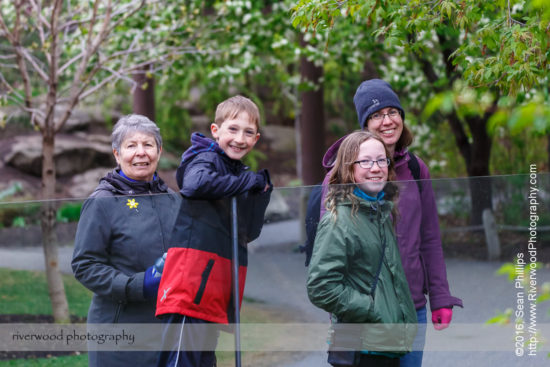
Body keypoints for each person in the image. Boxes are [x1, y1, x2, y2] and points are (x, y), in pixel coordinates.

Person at [319, 79, 463, 366]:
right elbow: (328, 251)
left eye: (392, 112)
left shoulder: (415, 168)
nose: (387, 121)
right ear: (364, 124)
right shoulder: (342, 174)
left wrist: (440, 295)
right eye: (375, 115)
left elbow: (430, 237)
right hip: (364, 312)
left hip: (412, 306)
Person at [155, 95, 272, 367]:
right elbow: (194, 185)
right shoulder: (203, 157)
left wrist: (260, 192)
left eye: (248, 132)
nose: (239, 138)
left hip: (213, 292)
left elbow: (249, 231)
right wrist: (246, 181)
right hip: (190, 289)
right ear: (215, 131)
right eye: (233, 129)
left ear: (256, 139)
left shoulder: (237, 172)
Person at [72, 114, 181, 367]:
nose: (140, 153)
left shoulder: (173, 200)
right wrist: (139, 284)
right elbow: (84, 265)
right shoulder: (103, 202)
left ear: (159, 150)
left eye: (148, 145)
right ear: (117, 154)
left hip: (169, 332)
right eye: (131, 146)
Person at [308, 131, 417, 367]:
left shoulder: (379, 213)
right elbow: (320, 287)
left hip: (385, 346)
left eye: (381, 160)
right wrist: (369, 308)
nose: (376, 167)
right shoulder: (339, 220)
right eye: (365, 161)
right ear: (349, 168)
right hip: (361, 348)